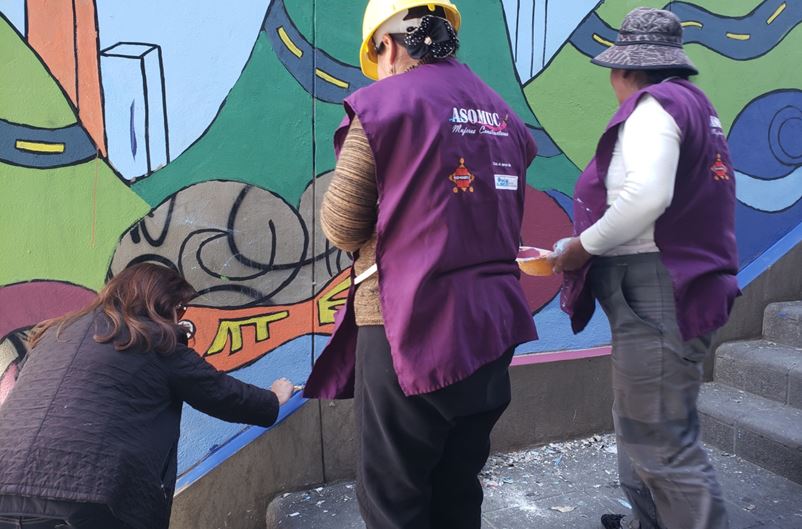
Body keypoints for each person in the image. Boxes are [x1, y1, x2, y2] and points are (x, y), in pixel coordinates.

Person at [303, 1, 539, 527]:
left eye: (376, 57)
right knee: (457, 485)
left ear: (386, 45)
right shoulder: (503, 113)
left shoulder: (384, 105)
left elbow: (341, 226)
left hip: (408, 326)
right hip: (493, 326)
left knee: (396, 497)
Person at [551, 8, 739, 529]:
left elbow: (644, 197)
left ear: (627, 72)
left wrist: (580, 248)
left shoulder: (653, 109)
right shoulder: (695, 106)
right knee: (644, 425)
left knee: (661, 441)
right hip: (672, 286)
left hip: (656, 288)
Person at [0, 263, 295, 529]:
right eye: (179, 309)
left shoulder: (55, 334)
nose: (180, 318)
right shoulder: (151, 338)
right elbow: (219, 393)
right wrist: (273, 398)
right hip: (85, 492)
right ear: (162, 303)